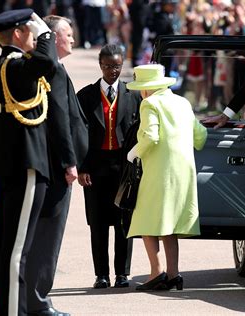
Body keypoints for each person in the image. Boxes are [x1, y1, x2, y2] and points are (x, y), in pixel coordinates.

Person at [0, 9, 57, 315]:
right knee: (15, 252)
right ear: (19, 34)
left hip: (2, 170)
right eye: (30, 31)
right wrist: (47, 32)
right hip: (26, 169)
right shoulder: (17, 66)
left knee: (4, 248)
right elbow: (49, 63)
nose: (35, 37)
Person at [25, 15, 88, 316]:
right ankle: (37, 301)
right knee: (47, 238)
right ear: (52, 38)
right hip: (56, 168)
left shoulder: (56, 69)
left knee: (44, 237)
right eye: (68, 34)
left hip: (53, 166)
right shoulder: (54, 72)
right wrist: (70, 162)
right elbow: (60, 121)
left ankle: (35, 298)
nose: (73, 39)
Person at [125, 64, 207, 291]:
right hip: (184, 171)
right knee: (169, 224)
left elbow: (150, 136)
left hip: (160, 170)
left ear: (146, 89)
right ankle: (174, 274)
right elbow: (200, 137)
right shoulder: (183, 102)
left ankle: (156, 272)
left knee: (145, 219)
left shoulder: (149, 103)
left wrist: (133, 154)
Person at [76, 44, 141, 289]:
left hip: (123, 166)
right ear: (100, 66)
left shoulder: (132, 94)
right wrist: (82, 167)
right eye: (107, 66)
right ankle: (101, 274)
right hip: (95, 166)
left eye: (117, 66)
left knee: (124, 221)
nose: (112, 71)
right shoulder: (85, 96)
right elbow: (78, 134)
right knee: (98, 222)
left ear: (122, 64)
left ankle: (122, 273)